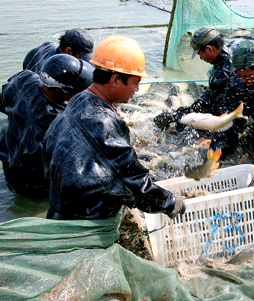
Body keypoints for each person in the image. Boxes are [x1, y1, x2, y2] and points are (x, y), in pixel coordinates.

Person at [42, 35, 185, 220]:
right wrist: (171, 202)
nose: (137, 89)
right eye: (135, 82)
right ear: (115, 79)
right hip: (84, 221)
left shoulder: (78, 100)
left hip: (59, 210)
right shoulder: (102, 122)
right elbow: (134, 183)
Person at [0, 54, 94, 197]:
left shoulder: (25, 80)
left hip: (9, 160)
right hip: (31, 183)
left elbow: (3, 101)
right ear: (60, 91)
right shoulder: (54, 124)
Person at [154, 26, 243, 130]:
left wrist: (177, 115)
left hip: (237, 114)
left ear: (209, 49)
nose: (200, 58)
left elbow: (207, 104)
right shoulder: (231, 48)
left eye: (200, 54)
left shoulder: (224, 73)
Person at [23, 28, 94, 73]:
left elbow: (27, 60)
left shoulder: (48, 45)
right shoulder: (56, 68)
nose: (83, 62)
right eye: (82, 58)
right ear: (68, 51)